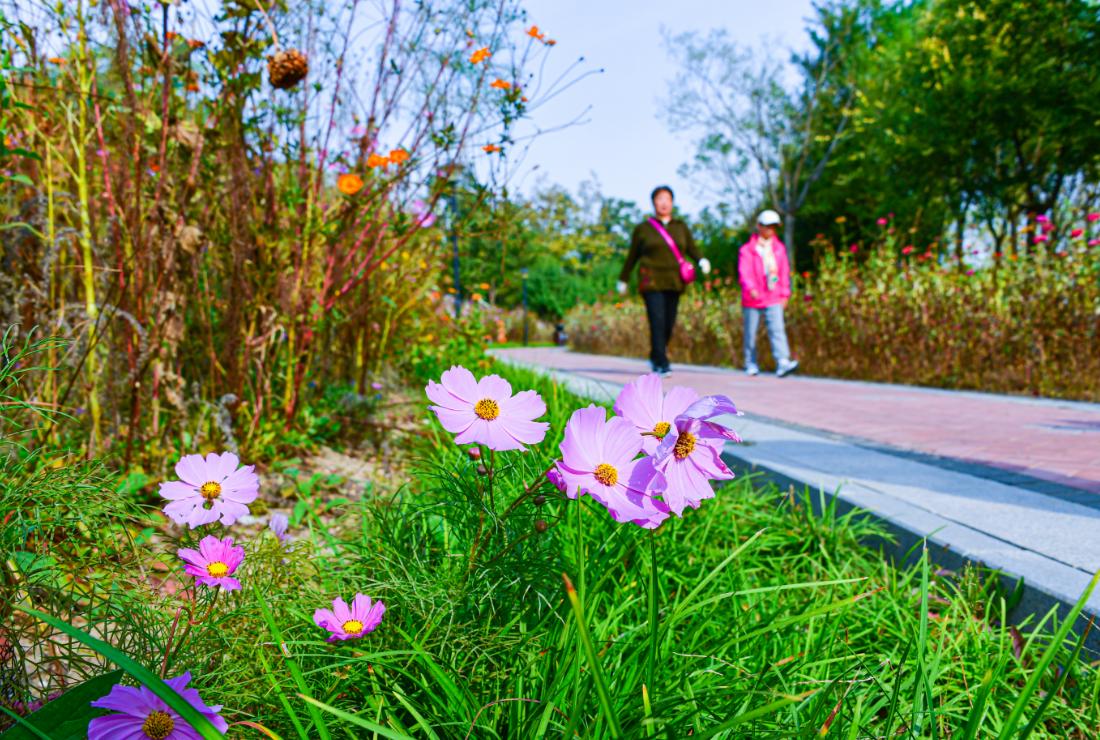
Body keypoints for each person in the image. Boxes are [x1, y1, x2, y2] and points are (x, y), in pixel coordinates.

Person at [617, 186, 710, 376]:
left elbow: (691, 248)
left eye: (667, 198)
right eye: (660, 199)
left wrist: (701, 259)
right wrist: (623, 279)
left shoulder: (680, 227)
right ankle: (662, 362)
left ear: (673, 202)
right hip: (651, 282)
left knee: (669, 322)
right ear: (654, 203)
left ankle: (655, 355)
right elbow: (632, 256)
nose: (664, 202)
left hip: (674, 283)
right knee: (657, 321)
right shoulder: (643, 229)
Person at [738, 209, 798, 377]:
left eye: (773, 227)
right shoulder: (747, 250)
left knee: (777, 329)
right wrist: (751, 288)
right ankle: (750, 362)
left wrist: (785, 293)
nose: (770, 230)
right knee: (751, 332)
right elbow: (744, 272)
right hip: (753, 298)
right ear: (759, 226)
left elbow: (784, 272)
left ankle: (782, 362)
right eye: (767, 226)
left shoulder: (779, 249)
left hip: (773, 295)